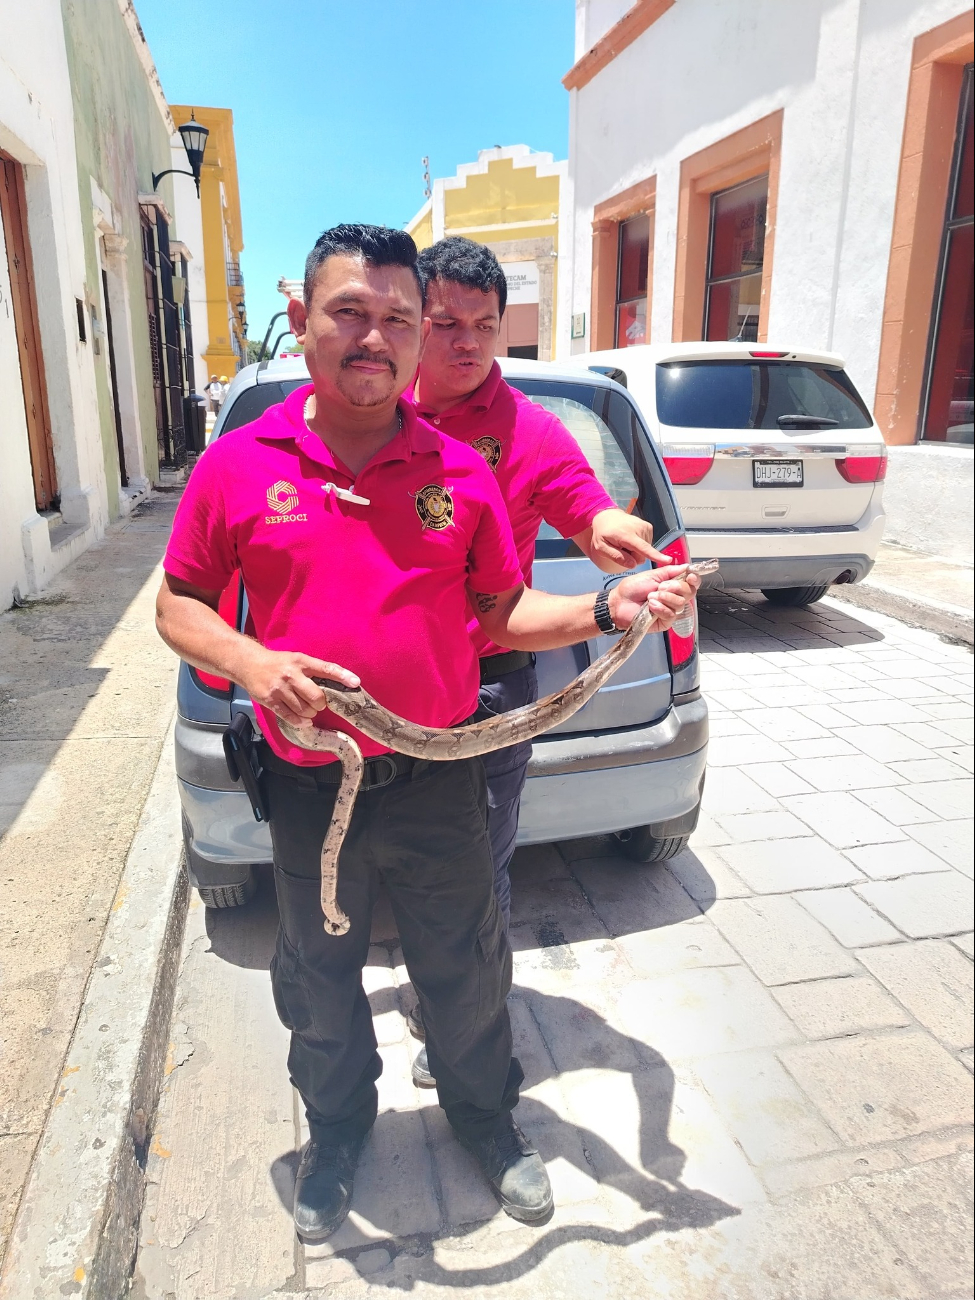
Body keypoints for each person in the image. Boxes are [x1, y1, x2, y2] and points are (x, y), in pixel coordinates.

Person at [155, 224, 698, 1242]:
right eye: (350, 312)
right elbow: (180, 606)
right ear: (302, 322)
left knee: (467, 961)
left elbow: (499, 614)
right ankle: (339, 1126)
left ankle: (486, 1119)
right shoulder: (238, 463)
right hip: (311, 782)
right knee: (317, 980)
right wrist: (252, 663)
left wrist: (609, 605)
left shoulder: (462, 467)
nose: (376, 335)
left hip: (445, 774)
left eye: (396, 317)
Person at [405, 237, 666, 1085]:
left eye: (484, 325)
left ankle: (469, 1030)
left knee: (482, 860)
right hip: (383, 687)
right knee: (403, 858)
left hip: (490, 684)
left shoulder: (526, 427)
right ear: (415, 318)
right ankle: (426, 992)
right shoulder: (373, 409)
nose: (467, 343)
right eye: (446, 322)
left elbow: (583, 509)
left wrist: (613, 539)